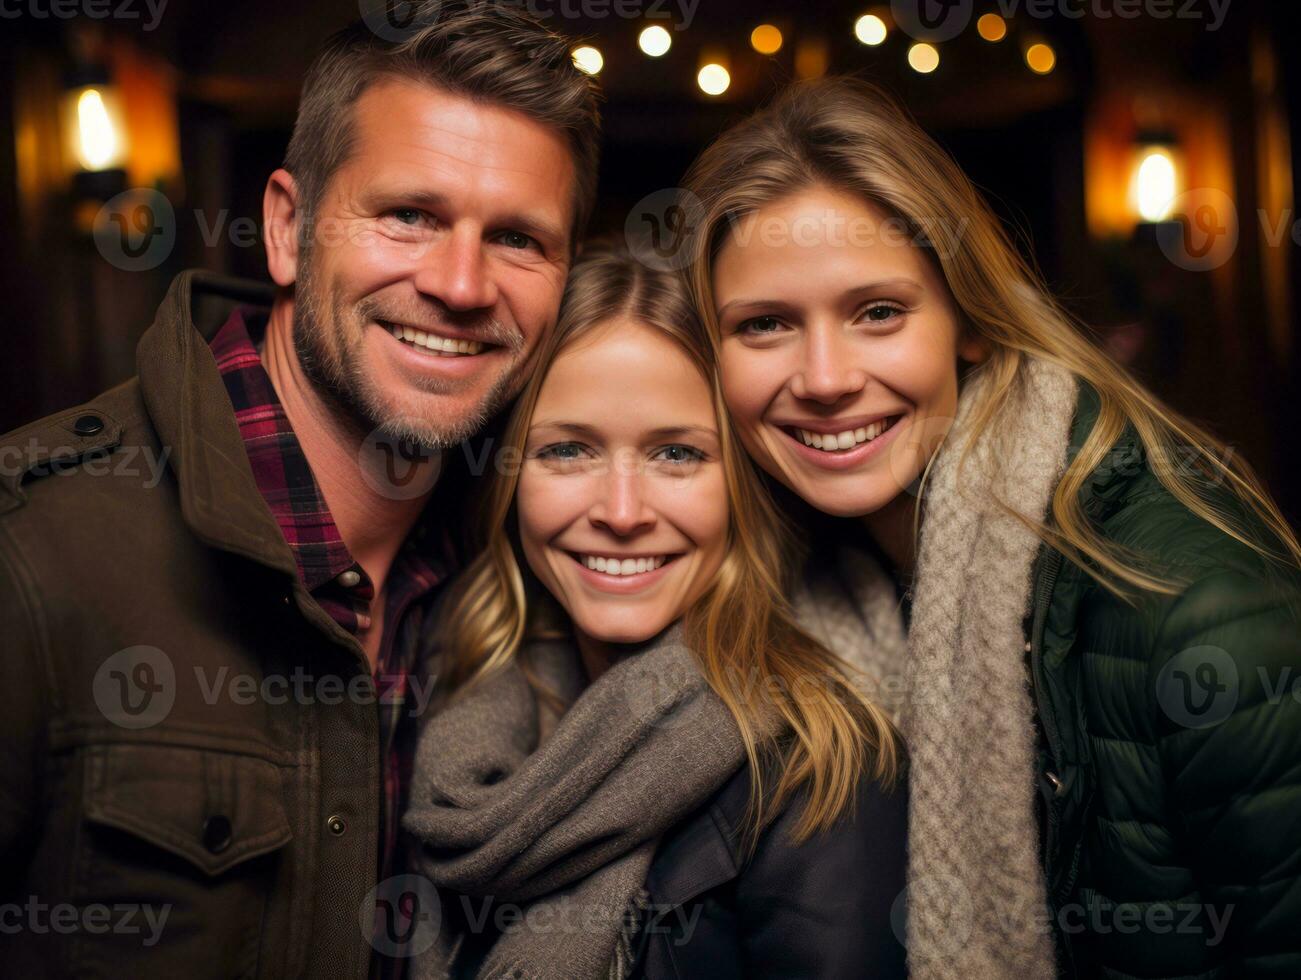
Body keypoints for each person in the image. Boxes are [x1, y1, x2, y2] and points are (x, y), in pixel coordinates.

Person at [0, 3, 599, 977]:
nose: (460, 282)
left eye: (520, 240)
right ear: (286, 227)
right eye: (408, 214)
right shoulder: (33, 549)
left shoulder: (530, 568)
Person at [682, 77, 1301, 979]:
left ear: (968, 321)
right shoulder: (807, 578)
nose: (823, 377)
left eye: (878, 312)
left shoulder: (1197, 610)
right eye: (765, 324)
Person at [402, 242, 907, 979]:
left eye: (676, 455)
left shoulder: (826, 773)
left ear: (743, 486)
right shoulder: (453, 705)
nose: (621, 512)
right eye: (567, 451)